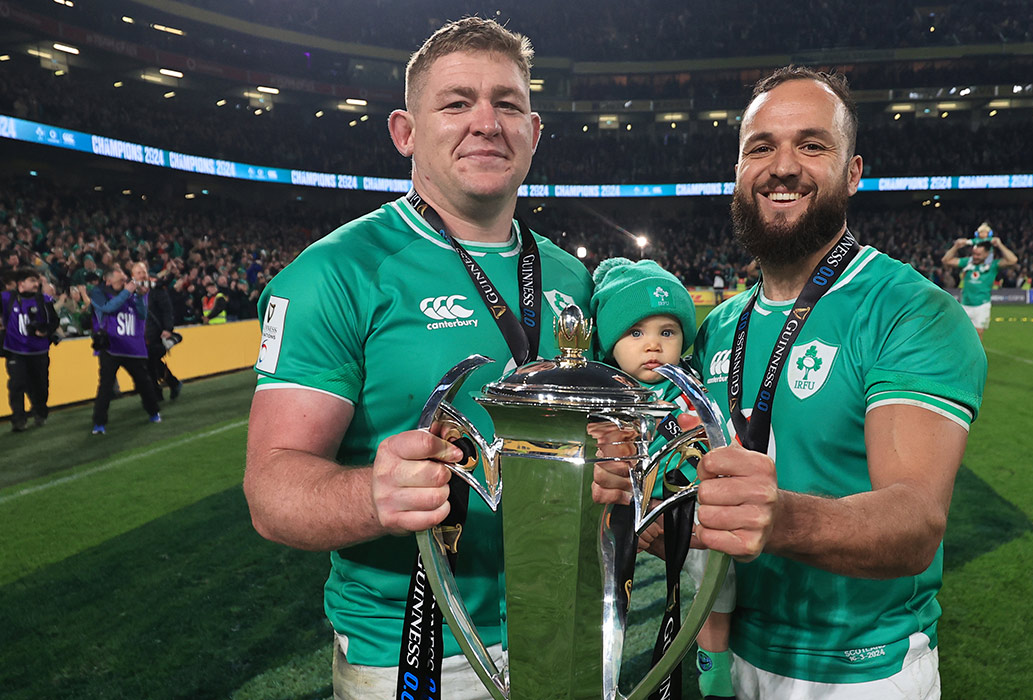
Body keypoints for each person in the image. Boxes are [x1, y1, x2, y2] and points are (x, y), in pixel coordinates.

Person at [243, 18, 593, 700]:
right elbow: (271, 490)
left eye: (508, 104)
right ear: (405, 132)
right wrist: (373, 496)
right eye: (457, 102)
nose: (486, 122)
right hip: (414, 649)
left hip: (563, 625)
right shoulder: (334, 274)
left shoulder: (571, 280)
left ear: (535, 132)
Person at [660, 67, 987, 699]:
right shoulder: (719, 327)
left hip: (861, 669)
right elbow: (697, 485)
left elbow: (915, 519)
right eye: (761, 146)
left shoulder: (909, 310)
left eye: (812, 145)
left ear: (854, 171)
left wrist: (774, 519)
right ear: (738, 171)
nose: (783, 166)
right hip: (732, 652)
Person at [589, 257, 738, 699]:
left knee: (718, 579)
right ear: (609, 342)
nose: (652, 345)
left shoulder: (695, 390)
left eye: (666, 332)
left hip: (689, 517)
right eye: (635, 333)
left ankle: (714, 671)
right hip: (622, 527)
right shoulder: (599, 394)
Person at [89, 265, 162, 434]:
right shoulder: (99, 293)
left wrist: (142, 297)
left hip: (131, 347)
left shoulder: (130, 293)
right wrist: (127, 292)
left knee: (144, 383)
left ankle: (153, 412)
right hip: (111, 346)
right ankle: (99, 423)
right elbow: (108, 308)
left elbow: (142, 315)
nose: (125, 281)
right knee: (105, 387)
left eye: (124, 279)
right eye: (120, 279)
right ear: (108, 281)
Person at [2, 267, 58, 431]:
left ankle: (40, 412)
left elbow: (54, 321)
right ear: (21, 284)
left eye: (37, 281)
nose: (36, 284)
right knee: (16, 385)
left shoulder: (45, 300)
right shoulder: (7, 298)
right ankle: (18, 420)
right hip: (15, 350)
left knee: (40, 385)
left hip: (39, 351)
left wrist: (45, 331)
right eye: (32, 281)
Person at [941, 230, 1018, 340]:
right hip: (965, 304)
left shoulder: (992, 265)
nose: (975, 257)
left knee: (977, 335)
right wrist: (956, 247)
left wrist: (1000, 245)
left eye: (978, 255)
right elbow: (946, 260)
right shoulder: (968, 262)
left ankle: (975, 357)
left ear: (987, 254)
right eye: (974, 254)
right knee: (958, 333)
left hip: (981, 306)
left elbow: (1013, 260)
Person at [134, 262, 183, 401]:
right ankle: (170, 384)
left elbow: (167, 311)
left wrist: (168, 329)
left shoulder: (157, 290)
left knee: (150, 362)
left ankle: (159, 391)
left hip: (155, 333)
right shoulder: (135, 293)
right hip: (143, 335)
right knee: (151, 363)